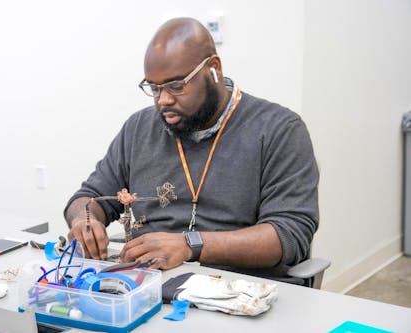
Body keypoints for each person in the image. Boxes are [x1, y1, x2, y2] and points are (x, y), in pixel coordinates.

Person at [64, 17, 319, 284]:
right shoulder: (139, 128)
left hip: (240, 290)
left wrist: (190, 244)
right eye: (154, 87)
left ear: (213, 69)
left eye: (176, 86)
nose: (163, 100)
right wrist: (85, 221)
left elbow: (288, 235)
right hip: (148, 288)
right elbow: (88, 197)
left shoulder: (279, 130)